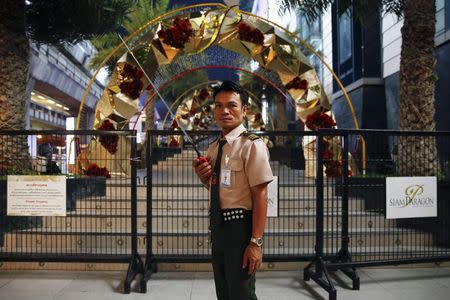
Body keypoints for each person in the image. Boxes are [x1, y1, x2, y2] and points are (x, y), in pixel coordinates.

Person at [193, 81, 273, 300]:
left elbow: (261, 195)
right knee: (225, 293)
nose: (224, 111)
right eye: (218, 106)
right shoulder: (214, 147)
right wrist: (204, 178)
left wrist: (256, 242)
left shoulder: (251, 145)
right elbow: (219, 187)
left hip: (241, 229)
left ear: (244, 110)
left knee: (241, 294)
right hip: (218, 228)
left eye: (231, 105)